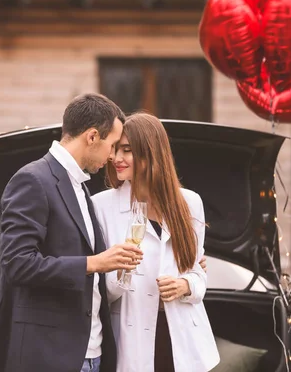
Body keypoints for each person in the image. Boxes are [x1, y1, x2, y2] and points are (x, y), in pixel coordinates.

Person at [0, 93, 144, 372]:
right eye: (112, 145)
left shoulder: (80, 186)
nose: (113, 156)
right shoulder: (32, 180)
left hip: (93, 354)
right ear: (92, 137)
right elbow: (17, 264)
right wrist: (95, 263)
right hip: (49, 356)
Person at [91, 113, 220, 372]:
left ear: (151, 152)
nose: (116, 159)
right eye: (115, 150)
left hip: (184, 339)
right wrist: (121, 269)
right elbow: (99, 292)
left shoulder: (190, 203)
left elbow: (198, 272)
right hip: (132, 340)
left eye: (127, 150)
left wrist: (185, 285)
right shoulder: (101, 206)